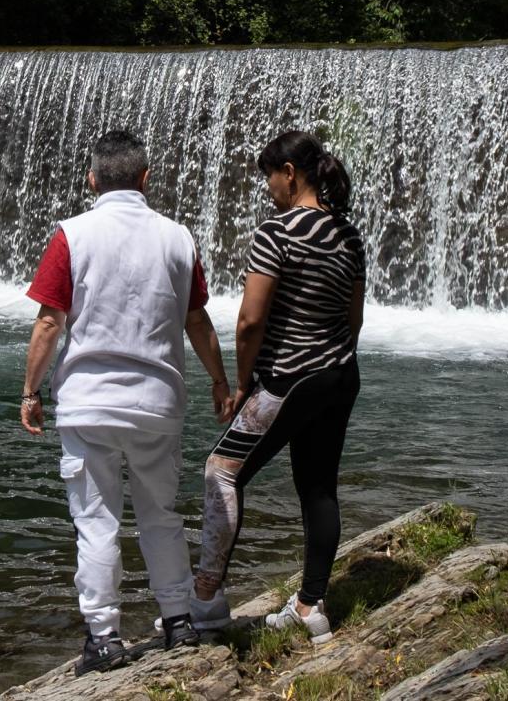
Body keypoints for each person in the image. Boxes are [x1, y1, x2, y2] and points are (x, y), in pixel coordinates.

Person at [20, 130, 232, 676]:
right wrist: (219, 381)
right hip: (157, 405)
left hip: (88, 405)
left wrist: (31, 391)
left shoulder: (72, 235)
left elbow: (50, 321)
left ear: (92, 180)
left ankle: (105, 637)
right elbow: (196, 320)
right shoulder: (178, 238)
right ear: (144, 178)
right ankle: (179, 621)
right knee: (160, 515)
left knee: (95, 521)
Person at [188, 130, 365, 644]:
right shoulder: (349, 236)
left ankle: (205, 602)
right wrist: (330, 361)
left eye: (269, 175)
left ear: (290, 173)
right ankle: (311, 606)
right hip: (339, 375)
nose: (267, 186)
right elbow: (353, 320)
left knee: (221, 470)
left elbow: (250, 320)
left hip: (289, 378)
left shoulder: (277, 232)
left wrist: (244, 384)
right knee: (318, 486)